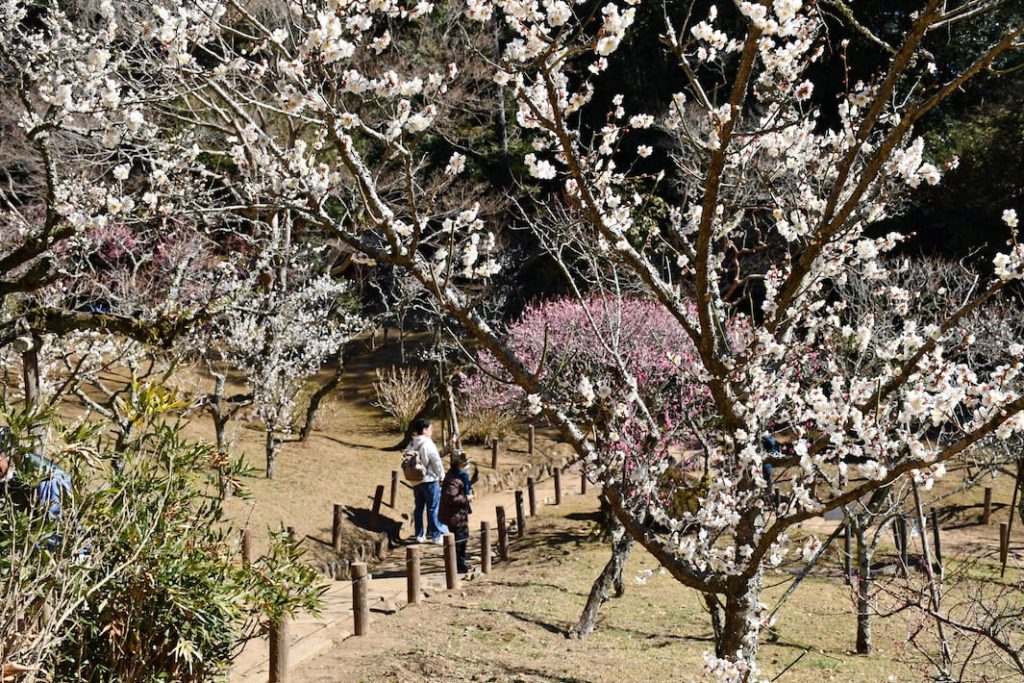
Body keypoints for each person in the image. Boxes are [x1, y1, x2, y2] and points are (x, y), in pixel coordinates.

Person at [408, 418, 446, 544]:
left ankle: (419, 535)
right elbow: (436, 461)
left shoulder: (412, 443)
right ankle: (436, 535)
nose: (431, 432)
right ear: (424, 430)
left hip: (415, 481)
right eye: (430, 429)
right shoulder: (428, 443)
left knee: (419, 507)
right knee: (433, 507)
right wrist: (442, 476)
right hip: (429, 479)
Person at [439, 450, 474, 573]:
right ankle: (458, 566)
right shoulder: (453, 479)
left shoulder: (459, 476)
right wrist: (466, 498)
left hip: (458, 515)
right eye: (464, 464)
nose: (466, 466)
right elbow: (450, 498)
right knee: (460, 540)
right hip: (454, 516)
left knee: (462, 538)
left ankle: (459, 563)